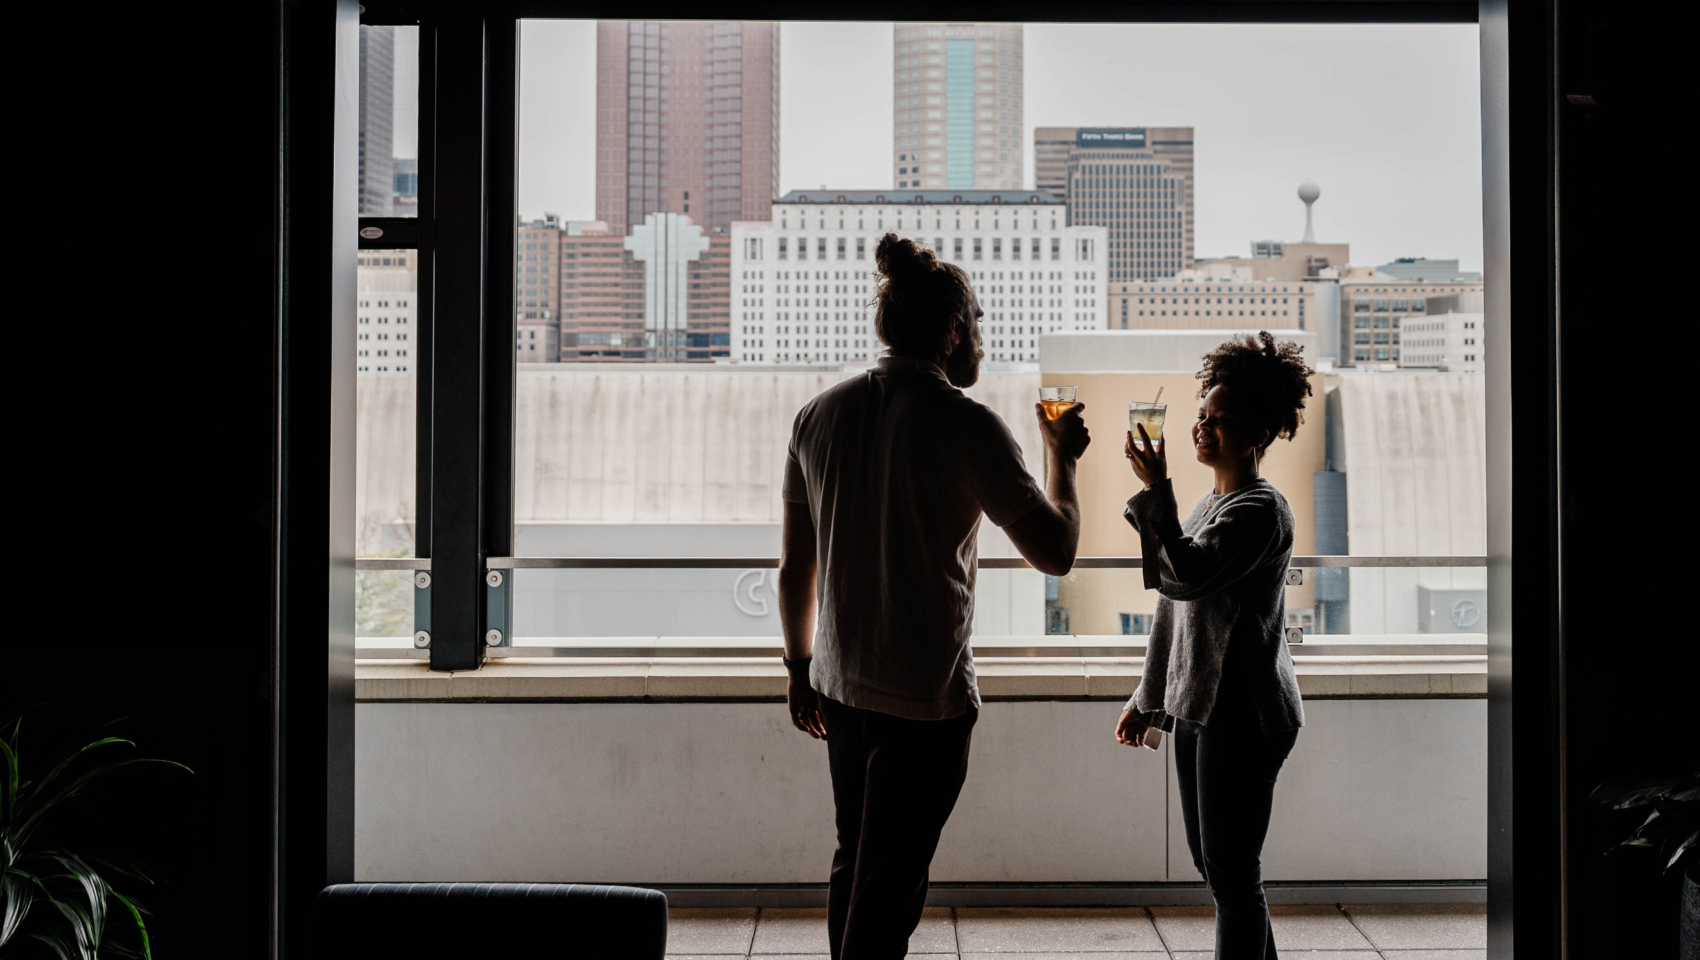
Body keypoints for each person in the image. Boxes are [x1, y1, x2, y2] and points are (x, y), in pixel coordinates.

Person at [778, 233, 1090, 960]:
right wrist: (1062, 462)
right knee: (889, 894)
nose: (978, 337)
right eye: (975, 323)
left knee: (856, 864)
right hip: (925, 699)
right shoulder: (968, 425)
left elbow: (797, 568)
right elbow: (1058, 552)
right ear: (952, 330)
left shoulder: (817, 415)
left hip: (839, 686)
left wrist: (799, 670)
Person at [1114, 331, 1313, 960]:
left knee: (1229, 869)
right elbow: (1172, 604)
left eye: (1221, 421)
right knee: (1219, 865)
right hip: (1202, 707)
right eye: (1202, 415)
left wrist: (1156, 490)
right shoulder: (1210, 503)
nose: (1203, 427)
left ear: (1259, 434)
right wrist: (1149, 698)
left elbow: (1191, 573)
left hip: (1246, 715)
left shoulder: (1260, 510)